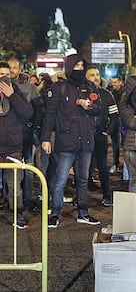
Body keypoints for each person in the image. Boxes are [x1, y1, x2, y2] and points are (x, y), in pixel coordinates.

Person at [41, 54, 103, 228]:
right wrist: (46, 138)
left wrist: (89, 106)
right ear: (69, 67)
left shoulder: (89, 86)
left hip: (86, 142)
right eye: (76, 66)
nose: (80, 69)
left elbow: (100, 109)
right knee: (60, 179)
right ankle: (55, 213)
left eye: (82, 66)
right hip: (66, 141)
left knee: (83, 179)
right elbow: (50, 115)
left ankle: (83, 212)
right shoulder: (60, 88)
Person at [0, 61, 33, 228]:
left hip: (13, 149)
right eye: (0, 74)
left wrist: (12, 96)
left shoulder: (16, 92)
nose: (4, 78)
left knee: (14, 185)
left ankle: (17, 214)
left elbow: (28, 113)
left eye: (6, 74)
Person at [8, 57, 44, 212]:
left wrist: (32, 126)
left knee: (28, 168)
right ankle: (9, 199)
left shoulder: (30, 88)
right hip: (8, 136)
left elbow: (38, 109)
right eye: (9, 67)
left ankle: (27, 199)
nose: (11, 71)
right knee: (9, 170)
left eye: (14, 67)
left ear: (20, 68)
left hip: (26, 135)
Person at [85, 66, 119, 207]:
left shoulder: (107, 95)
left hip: (100, 135)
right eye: (92, 75)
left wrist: (108, 131)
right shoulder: (80, 93)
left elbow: (115, 116)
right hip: (84, 135)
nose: (96, 77)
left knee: (102, 166)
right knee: (83, 166)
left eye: (97, 74)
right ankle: (82, 197)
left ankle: (106, 195)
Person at [107, 76, 125, 173]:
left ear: (120, 82)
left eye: (115, 82)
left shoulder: (124, 93)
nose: (114, 84)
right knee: (115, 143)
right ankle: (116, 163)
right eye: (112, 82)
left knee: (125, 144)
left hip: (123, 121)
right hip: (115, 121)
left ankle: (125, 165)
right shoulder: (110, 93)